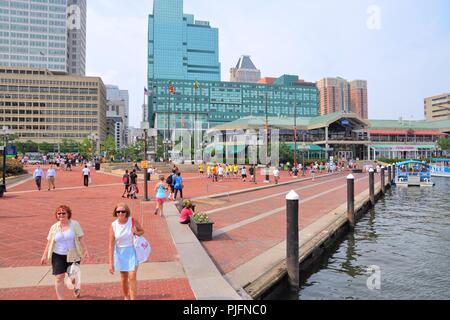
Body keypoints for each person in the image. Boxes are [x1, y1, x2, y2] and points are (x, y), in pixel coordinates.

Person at [40, 205, 90, 300]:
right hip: (57, 255)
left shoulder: (75, 224)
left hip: (73, 254)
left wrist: (86, 250)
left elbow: (80, 238)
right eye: (59, 213)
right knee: (59, 277)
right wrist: (44, 255)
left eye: (63, 213)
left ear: (68, 214)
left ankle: (76, 287)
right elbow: (49, 242)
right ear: (56, 215)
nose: (61, 215)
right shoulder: (54, 227)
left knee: (73, 277)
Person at [109, 203, 144, 300]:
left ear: (126, 212)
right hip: (120, 252)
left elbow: (142, 231)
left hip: (132, 250)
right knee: (124, 278)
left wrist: (136, 232)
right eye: (118, 211)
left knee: (132, 276)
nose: (120, 213)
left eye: (123, 211)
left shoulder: (132, 220)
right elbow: (111, 245)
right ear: (115, 213)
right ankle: (126, 296)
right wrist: (111, 263)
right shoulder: (113, 225)